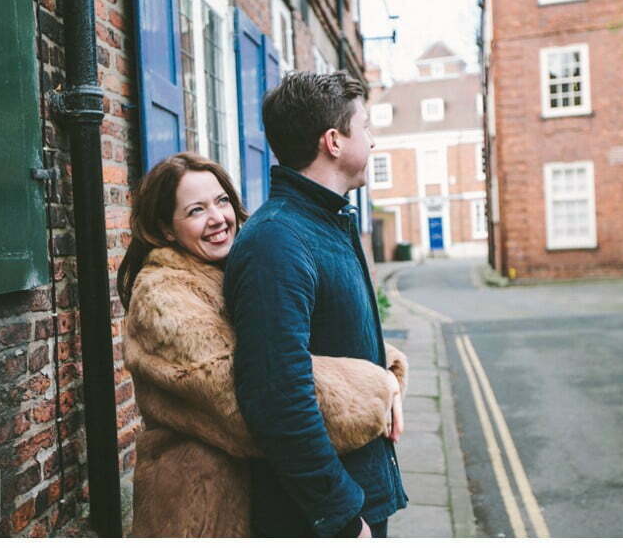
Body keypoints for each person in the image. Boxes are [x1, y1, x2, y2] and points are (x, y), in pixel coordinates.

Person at [117, 152, 408, 537]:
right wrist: (376, 387)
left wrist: (385, 363)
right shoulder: (164, 299)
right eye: (196, 210)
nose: (218, 217)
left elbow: (288, 348)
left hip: (257, 498)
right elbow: (258, 400)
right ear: (165, 229)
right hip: (201, 511)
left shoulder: (231, 269)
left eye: (222, 201)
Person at [224, 71, 408, 538]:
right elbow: (277, 396)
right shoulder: (277, 241)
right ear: (334, 141)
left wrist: (385, 383)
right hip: (320, 519)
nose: (373, 139)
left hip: (360, 492)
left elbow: (337, 339)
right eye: (364, 127)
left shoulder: (324, 222)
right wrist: (341, 516)